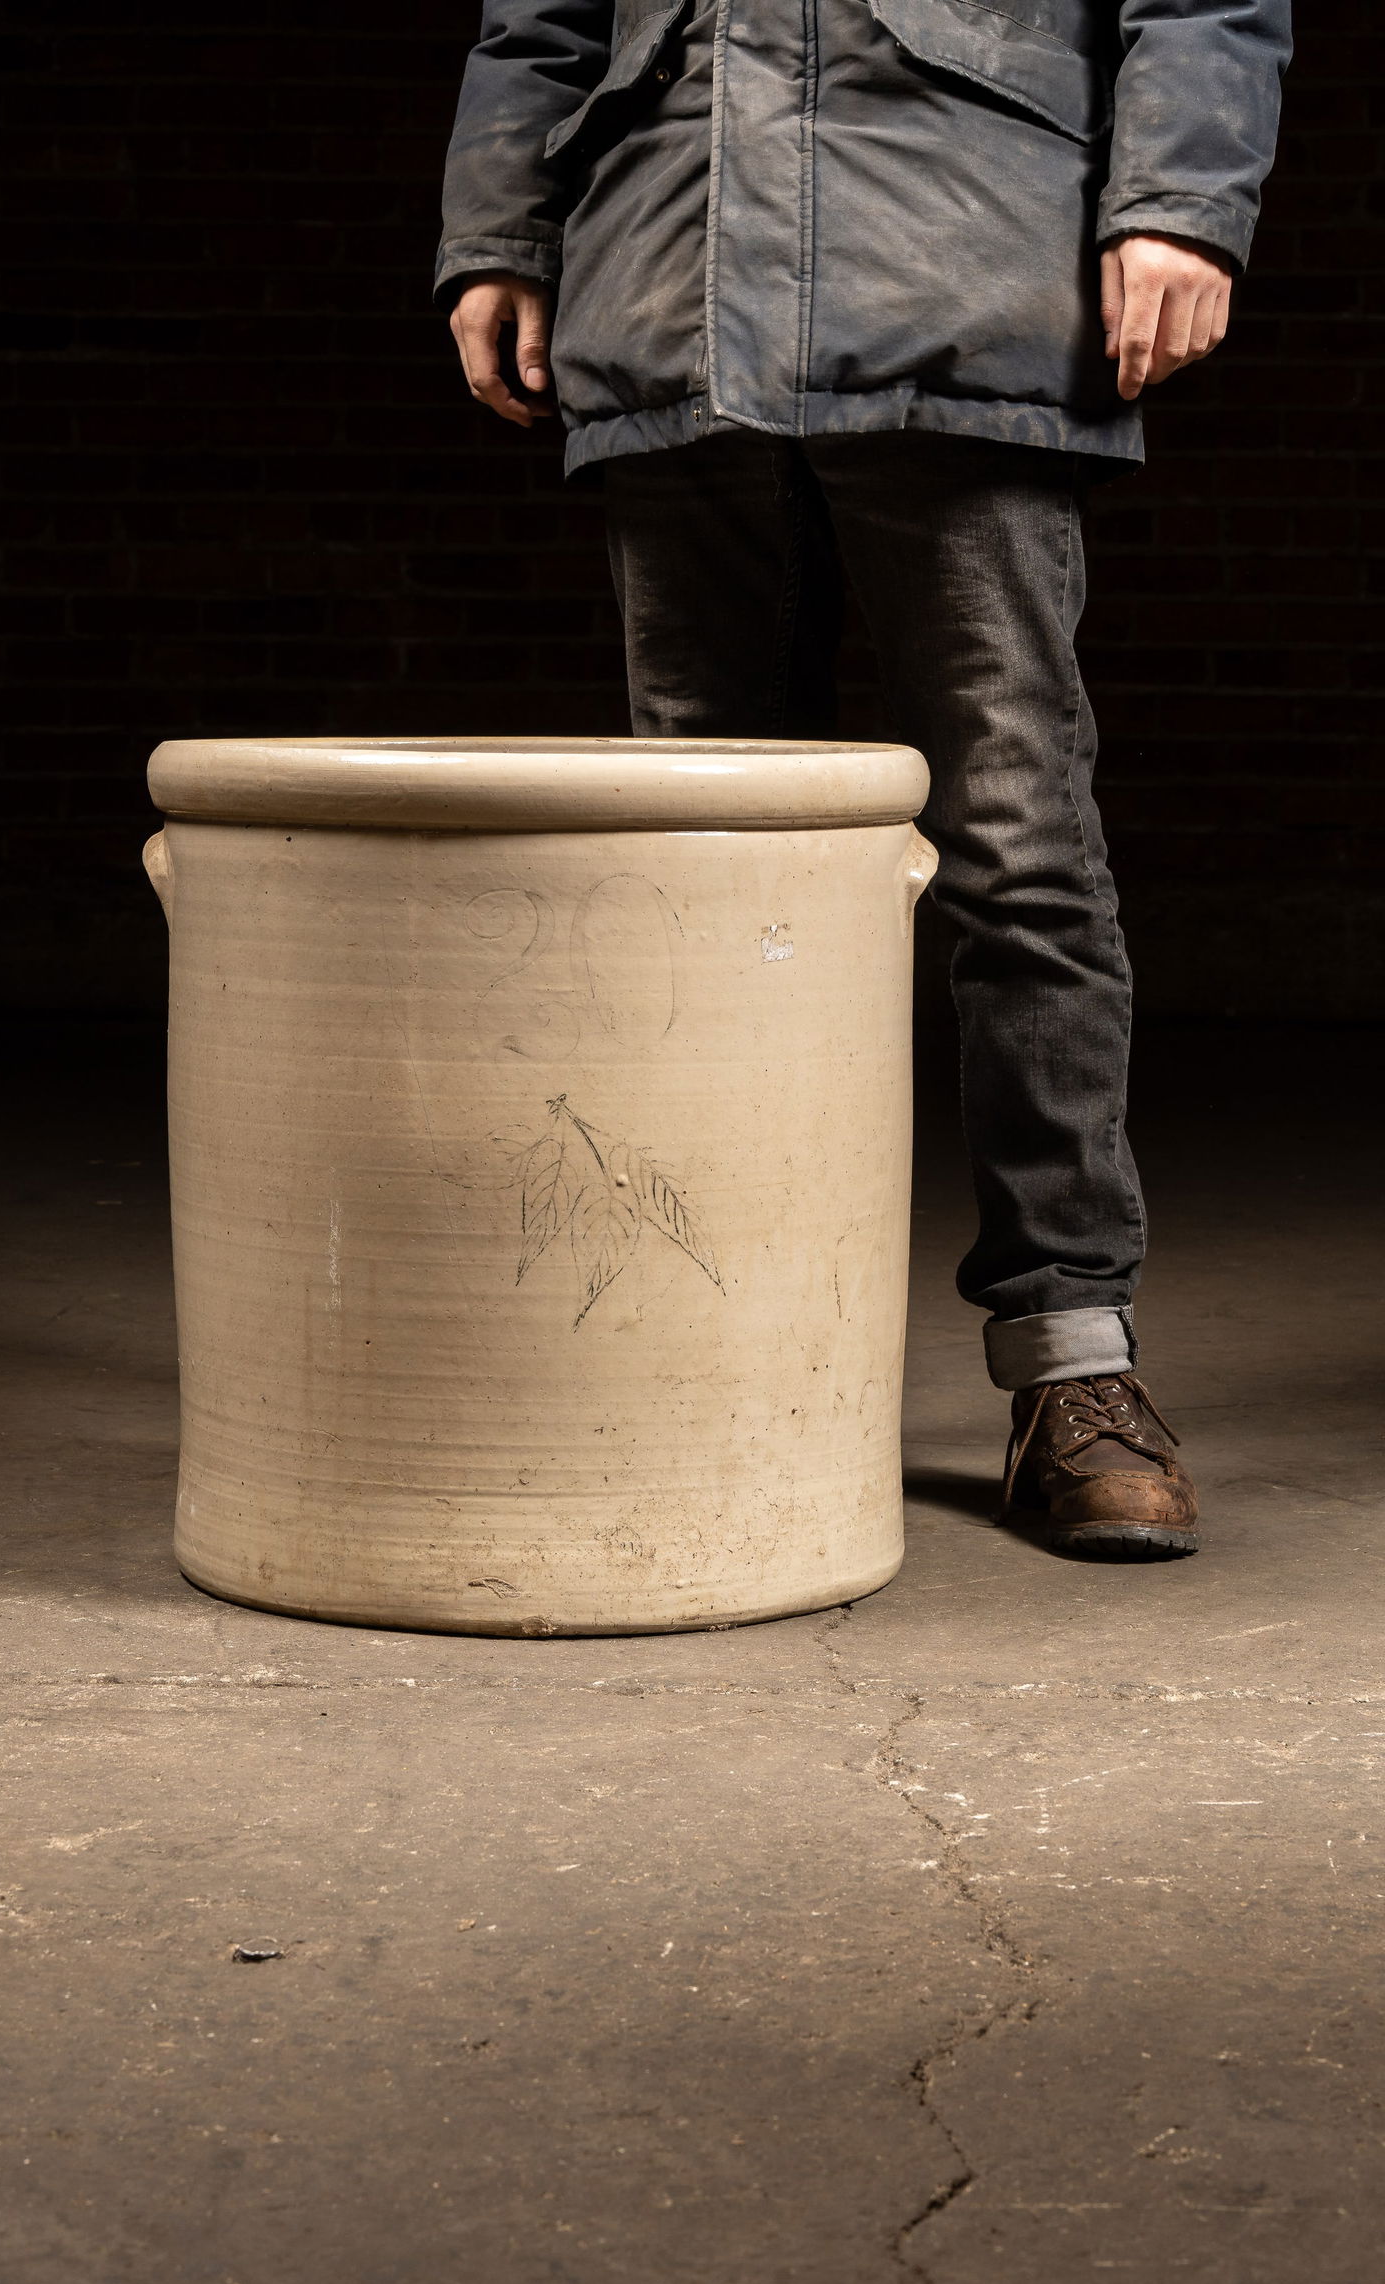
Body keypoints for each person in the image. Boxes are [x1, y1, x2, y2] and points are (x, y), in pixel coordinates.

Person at [435, 0, 1290, 1562]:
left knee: (1016, 848)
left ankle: (1071, 1369)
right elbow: (539, 16)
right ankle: (707, 1359)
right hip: (672, 279)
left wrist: (1179, 205)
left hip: (955, 269)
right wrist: (497, 227)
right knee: (690, 882)